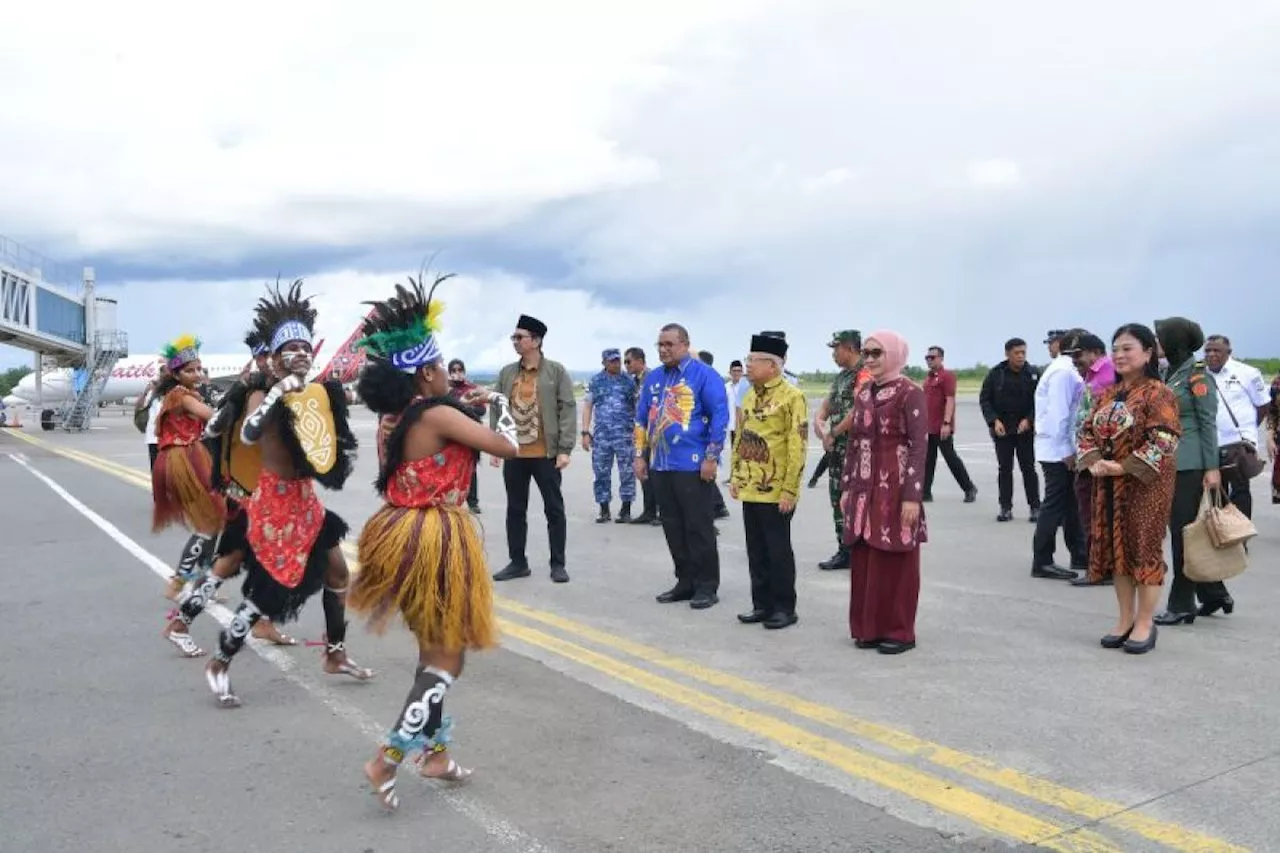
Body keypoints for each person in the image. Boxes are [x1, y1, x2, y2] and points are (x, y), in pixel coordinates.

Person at [348, 275, 520, 810]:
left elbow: (444, 421)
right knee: (448, 657)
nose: (449, 371)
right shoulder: (438, 412)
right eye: (442, 366)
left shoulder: (398, 414)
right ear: (425, 372)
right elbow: (508, 447)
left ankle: (438, 754)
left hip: (400, 529)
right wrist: (498, 407)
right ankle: (388, 757)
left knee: (436, 651)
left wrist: (463, 399)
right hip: (434, 535)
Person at [200, 280, 372, 707]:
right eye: (290, 348)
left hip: (306, 501)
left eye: (305, 347)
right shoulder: (261, 391)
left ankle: (335, 653)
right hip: (273, 504)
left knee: (337, 574)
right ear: (274, 358)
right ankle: (219, 662)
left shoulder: (313, 393)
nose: (300, 354)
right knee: (266, 593)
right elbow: (246, 431)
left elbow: (330, 434)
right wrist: (278, 391)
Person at [1076, 324, 1180, 654]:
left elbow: (1164, 438)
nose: (1119, 355)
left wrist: (1123, 466)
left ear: (1148, 353)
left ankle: (1146, 622)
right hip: (1108, 484)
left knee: (1143, 548)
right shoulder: (1106, 393)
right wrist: (1093, 460)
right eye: (1115, 348)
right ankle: (1124, 619)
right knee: (1116, 550)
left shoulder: (1158, 393)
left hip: (1146, 485)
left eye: (1128, 348)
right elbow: (1085, 430)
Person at [841, 331, 928, 655]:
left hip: (896, 489)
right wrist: (848, 487)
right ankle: (869, 628)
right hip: (864, 489)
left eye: (877, 352)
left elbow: (919, 448)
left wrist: (912, 497)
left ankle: (900, 631)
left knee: (896, 560)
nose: (871, 359)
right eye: (867, 353)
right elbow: (854, 443)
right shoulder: (863, 393)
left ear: (893, 354)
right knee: (866, 558)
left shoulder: (910, 393)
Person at [636, 323, 730, 610]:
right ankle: (685, 580)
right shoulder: (653, 379)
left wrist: (711, 457)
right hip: (661, 464)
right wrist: (640, 455)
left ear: (685, 344)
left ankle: (706, 585)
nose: (663, 350)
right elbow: (642, 420)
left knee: (698, 526)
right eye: (659, 345)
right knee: (672, 525)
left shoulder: (704, 375)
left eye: (669, 344)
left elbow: (719, 418)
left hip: (692, 464)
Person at [489, 314, 576, 584]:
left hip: (545, 454)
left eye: (520, 337)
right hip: (515, 453)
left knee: (554, 509)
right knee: (515, 509)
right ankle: (518, 562)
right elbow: (498, 407)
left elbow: (567, 408)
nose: (515, 342)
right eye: (514, 337)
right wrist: (495, 444)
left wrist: (565, 449)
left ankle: (558, 564)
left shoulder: (555, 372)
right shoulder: (507, 373)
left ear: (536, 341)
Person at [1153, 317, 1228, 627]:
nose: (1156, 343)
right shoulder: (1172, 373)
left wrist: (1212, 468)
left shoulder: (1198, 377)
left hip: (1191, 466)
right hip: (1173, 462)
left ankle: (1182, 604)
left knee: (1182, 535)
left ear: (1175, 341)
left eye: (1160, 337)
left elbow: (1208, 423)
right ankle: (1214, 593)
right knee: (1189, 531)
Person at [730, 334, 808, 630]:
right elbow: (740, 438)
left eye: (753, 361)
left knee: (777, 551)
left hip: (776, 490)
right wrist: (736, 475)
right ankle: (761, 604)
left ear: (772, 366)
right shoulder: (749, 395)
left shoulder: (792, 396)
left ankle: (784, 608)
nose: (747, 366)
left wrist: (790, 489)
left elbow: (796, 445)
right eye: (748, 360)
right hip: (751, 487)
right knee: (756, 550)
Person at [150, 335, 227, 601]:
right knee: (209, 522)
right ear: (175, 373)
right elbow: (211, 417)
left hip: (191, 455)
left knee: (215, 521)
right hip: (184, 460)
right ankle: (179, 580)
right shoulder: (180, 396)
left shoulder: (185, 394)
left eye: (199, 369)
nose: (196, 374)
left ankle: (202, 584)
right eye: (189, 370)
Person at [1031, 331, 1086, 580]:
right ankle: (1042, 560)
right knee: (1054, 505)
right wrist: (1067, 451)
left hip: (1059, 447)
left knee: (1071, 504)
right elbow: (1059, 414)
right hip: (1056, 450)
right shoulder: (1063, 372)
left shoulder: (1065, 369)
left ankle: (1080, 553)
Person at [812, 330, 865, 570]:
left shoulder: (864, 374)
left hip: (857, 450)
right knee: (837, 499)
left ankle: (860, 550)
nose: (833, 354)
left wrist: (833, 433)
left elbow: (858, 413)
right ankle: (845, 550)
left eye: (836, 349)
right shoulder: (843, 376)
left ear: (850, 348)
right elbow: (829, 403)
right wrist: (819, 420)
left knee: (856, 501)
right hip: (837, 450)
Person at [979, 338, 1041, 522]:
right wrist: (993, 421)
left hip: (1025, 430)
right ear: (1007, 354)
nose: (1021, 356)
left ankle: (1035, 507)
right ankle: (1005, 507)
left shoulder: (1033, 374)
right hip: (1003, 430)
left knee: (1028, 468)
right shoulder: (996, 374)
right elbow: (985, 399)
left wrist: (1030, 420)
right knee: (1005, 469)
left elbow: (1041, 401)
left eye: (1023, 352)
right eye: (1017, 353)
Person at [582, 348, 637, 523]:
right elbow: (588, 406)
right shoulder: (597, 381)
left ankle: (626, 509)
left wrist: (638, 431)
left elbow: (637, 405)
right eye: (612, 361)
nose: (616, 364)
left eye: (618, 360)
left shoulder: (628, 381)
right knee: (601, 472)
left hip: (625, 435)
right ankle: (604, 509)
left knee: (627, 472)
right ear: (604, 362)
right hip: (602, 436)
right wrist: (585, 431)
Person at [921, 345, 978, 504]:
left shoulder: (947, 376)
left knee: (950, 458)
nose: (929, 360)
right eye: (927, 357)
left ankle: (969, 488)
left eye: (933, 357)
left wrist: (946, 423)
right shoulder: (928, 378)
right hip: (928, 426)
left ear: (941, 358)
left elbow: (950, 400)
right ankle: (925, 492)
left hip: (941, 426)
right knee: (928, 460)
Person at [623, 346, 661, 525]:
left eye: (628, 361)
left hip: (654, 433)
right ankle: (649, 511)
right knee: (644, 472)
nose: (626, 365)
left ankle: (661, 512)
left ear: (639, 360)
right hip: (641, 433)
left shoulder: (652, 378)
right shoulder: (635, 381)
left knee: (656, 473)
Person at [446, 359, 486, 513]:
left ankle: (473, 502)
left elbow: (481, 410)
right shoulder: (446, 390)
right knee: (451, 467)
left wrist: (462, 406)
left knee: (471, 468)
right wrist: (465, 406)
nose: (457, 373)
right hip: (452, 435)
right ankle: (450, 500)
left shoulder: (472, 389)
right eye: (454, 370)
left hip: (471, 433)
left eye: (460, 370)